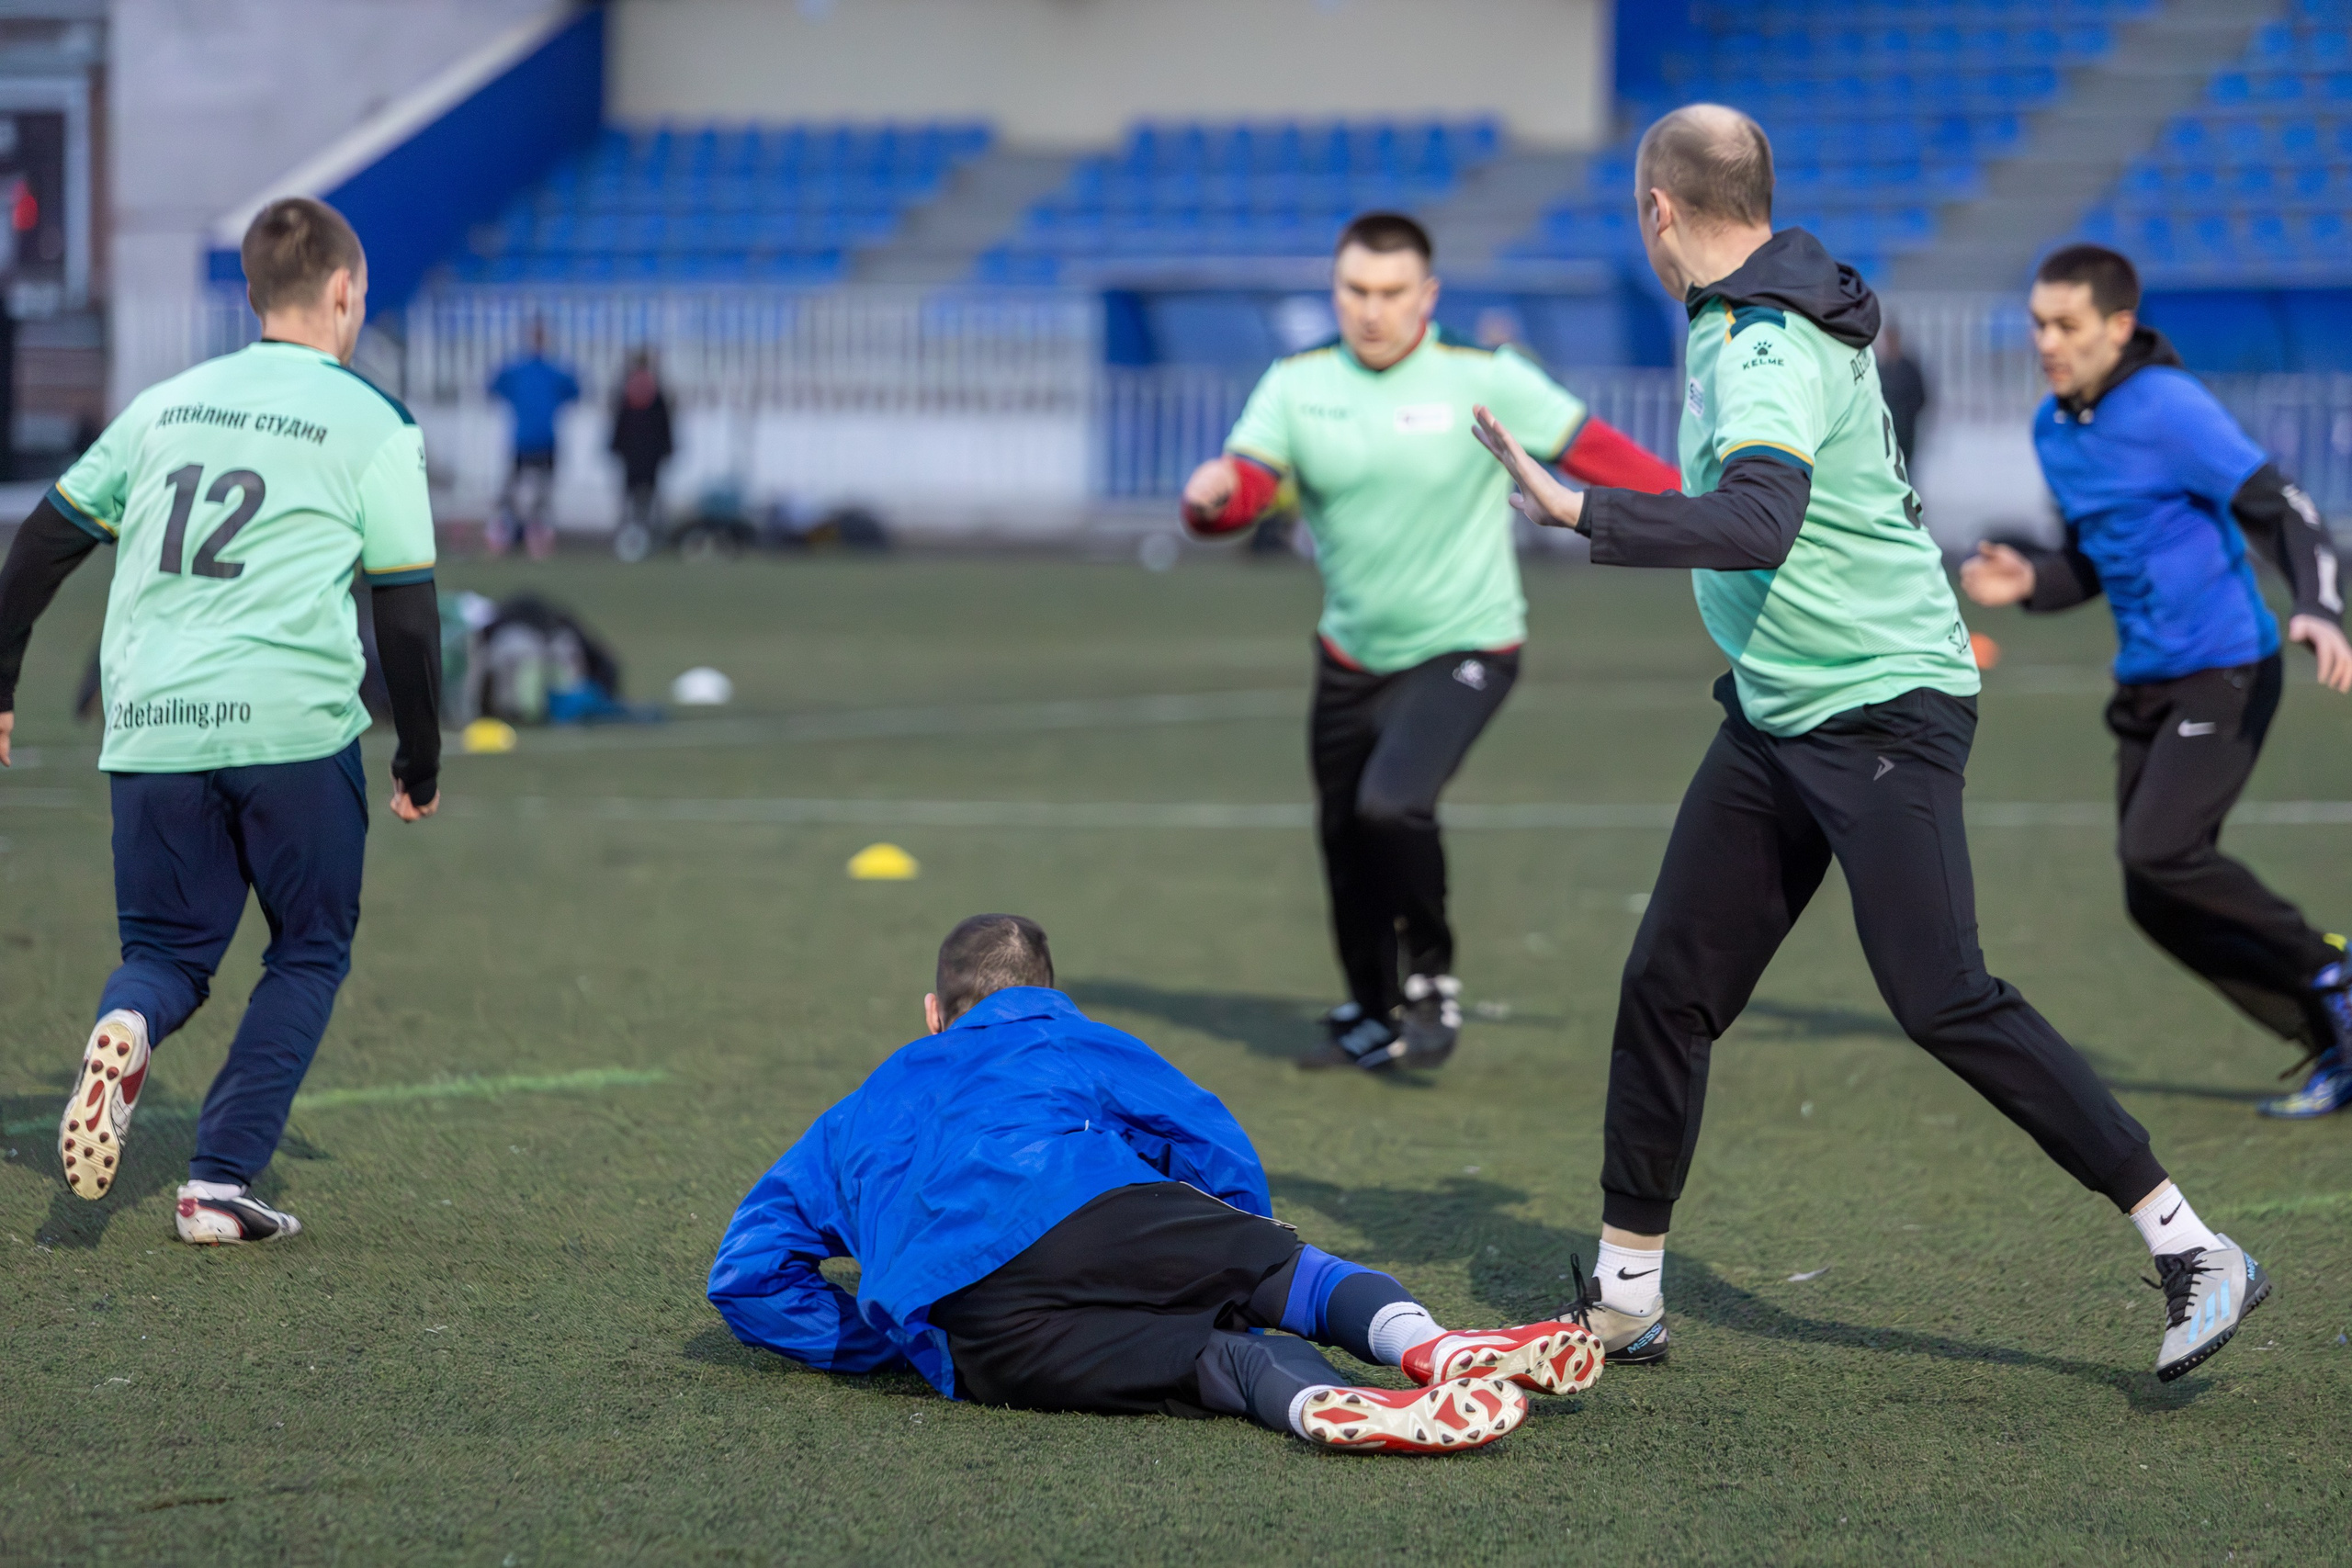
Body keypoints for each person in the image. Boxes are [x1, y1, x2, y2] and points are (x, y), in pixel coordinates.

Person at [1471, 106, 2267, 1383]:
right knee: (1669, 979)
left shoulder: (1761, 335)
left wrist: (1583, 509)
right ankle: (1627, 1290)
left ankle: (2194, 1247)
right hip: (1784, 704)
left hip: (1882, 703)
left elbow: (1761, 516)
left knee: (1941, 988)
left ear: (1656, 211)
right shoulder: (1769, 304)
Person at [707, 914, 1604, 1452]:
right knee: (1274, 1286)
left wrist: (892, 1340)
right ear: (1046, 992)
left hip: (974, 1332)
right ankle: (1429, 1349)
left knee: (1218, 1358)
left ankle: (1315, 1404)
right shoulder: (1062, 1033)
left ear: (934, 1015)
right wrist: (1238, 1261)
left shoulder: (850, 1114)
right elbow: (1208, 1141)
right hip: (1087, 1209)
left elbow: (745, 1277)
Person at [0, 197, 443, 1243]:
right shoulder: (376, 422)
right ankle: (215, 1185)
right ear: (343, 292)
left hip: (152, 726)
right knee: (308, 947)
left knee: (165, 953)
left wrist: (2, 679)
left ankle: (130, 1019)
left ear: (253, 296)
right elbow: (410, 620)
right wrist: (419, 757)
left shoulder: (165, 404)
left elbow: (42, 545)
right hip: (293, 731)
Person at [1180, 211, 1681, 1073]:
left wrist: (1711, 514)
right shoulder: (1296, 383)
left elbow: (1600, 452)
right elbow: (1246, 490)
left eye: (1390, 293)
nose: (1371, 311)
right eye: (1354, 291)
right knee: (1343, 838)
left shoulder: (1484, 376)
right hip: (1349, 655)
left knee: (1391, 804)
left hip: (1468, 641)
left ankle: (1433, 976)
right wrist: (1212, 498)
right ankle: (1370, 1013)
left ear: (1428, 295)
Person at [1961, 243, 2352, 1119]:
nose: (2047, 342)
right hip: (2147, 682)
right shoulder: (2054, 429)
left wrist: (2320, 606)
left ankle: (2337, 965)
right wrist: (2032, 581)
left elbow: (2281, 505)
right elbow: (2095, 562)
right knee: (2156, 898)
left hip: (2227, 667)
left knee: (2161, 851)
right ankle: (2334, 1033)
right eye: (2037, 323)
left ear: (2119, 326)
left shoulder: (2168, 405)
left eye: (2067, 325)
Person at [488, 320, 579, 559]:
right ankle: (511, 537)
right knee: (513, 495)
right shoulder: (525, 371)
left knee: (541, 496)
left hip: (542, 441)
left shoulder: (546, 372)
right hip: (525, 441)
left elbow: (575, 389)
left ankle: (536, 541)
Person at [607, 347, 673, 562]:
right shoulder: (657, 391)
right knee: (650, 500)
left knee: (629, 501)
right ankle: (651, 539)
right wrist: (666, 449)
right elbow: (665, 426)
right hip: (651, 455)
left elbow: (619, 424)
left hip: (631, 455)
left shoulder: (626, 391)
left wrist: (615, 447)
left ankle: (627, 541)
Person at [1874, 318, 1928, 469]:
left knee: (1906, 471)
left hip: (1905, 433)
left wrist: (1905, 414)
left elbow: (1921, 398)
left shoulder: (1909, 369)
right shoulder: (1879, 369)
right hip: (1884, 435)